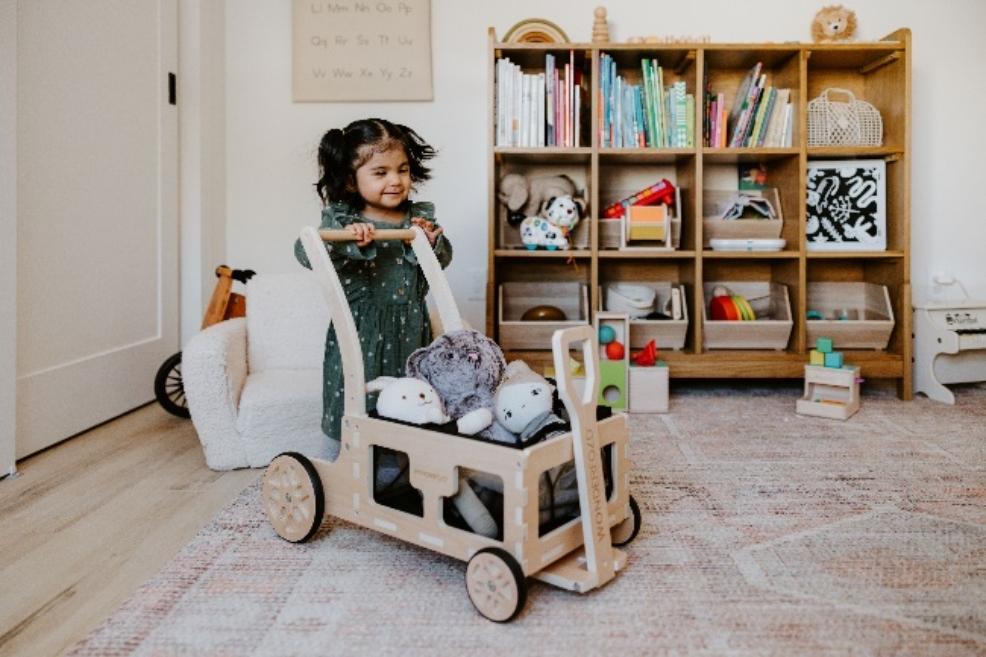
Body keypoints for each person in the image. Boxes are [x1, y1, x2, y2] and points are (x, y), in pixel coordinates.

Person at [295, 118, 452, 462]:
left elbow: (443, 259)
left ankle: (404, 470)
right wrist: (346, 238)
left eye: (402, 169)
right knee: (355, 398)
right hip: (361, 333)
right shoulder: (340, 220)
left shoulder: (418, 218)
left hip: (412, 331)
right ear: (352, 181)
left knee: (413, 400)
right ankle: (341, 463)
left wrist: (429, 242)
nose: (396, 180)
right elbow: (306, 251)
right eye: (380, 173)